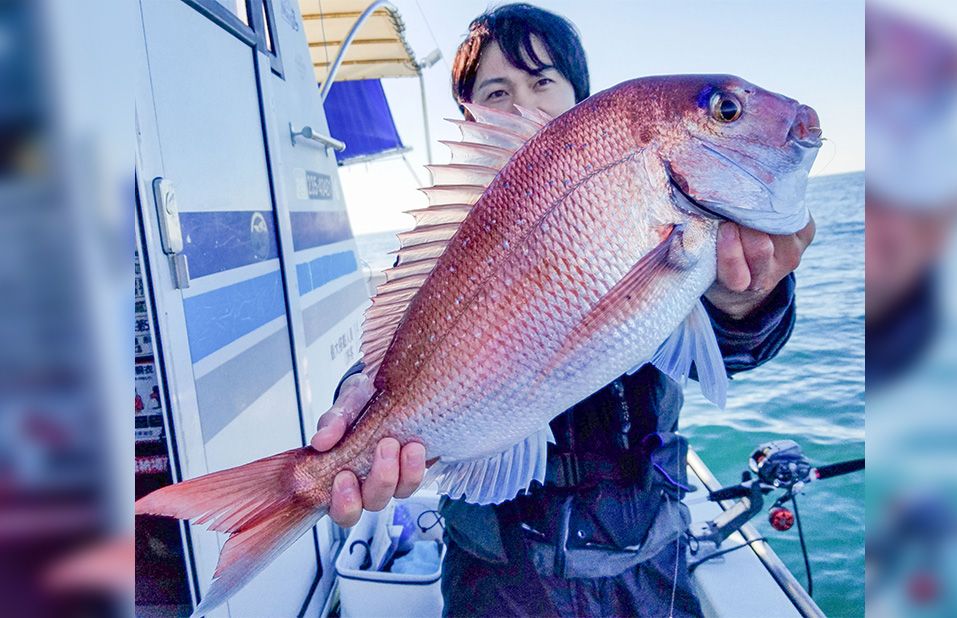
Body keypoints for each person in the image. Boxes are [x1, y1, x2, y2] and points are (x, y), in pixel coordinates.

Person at [311, 4, 815, 616]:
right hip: (498, 575)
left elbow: (739, 347)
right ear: (470, 116)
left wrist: (746, 302)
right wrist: (357, 405)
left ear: (581, 96)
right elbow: (392, 359)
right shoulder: (445, 243)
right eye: (497, 91)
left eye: (543, 81)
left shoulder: (665, 209)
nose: (524, 104)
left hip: (645, 557)